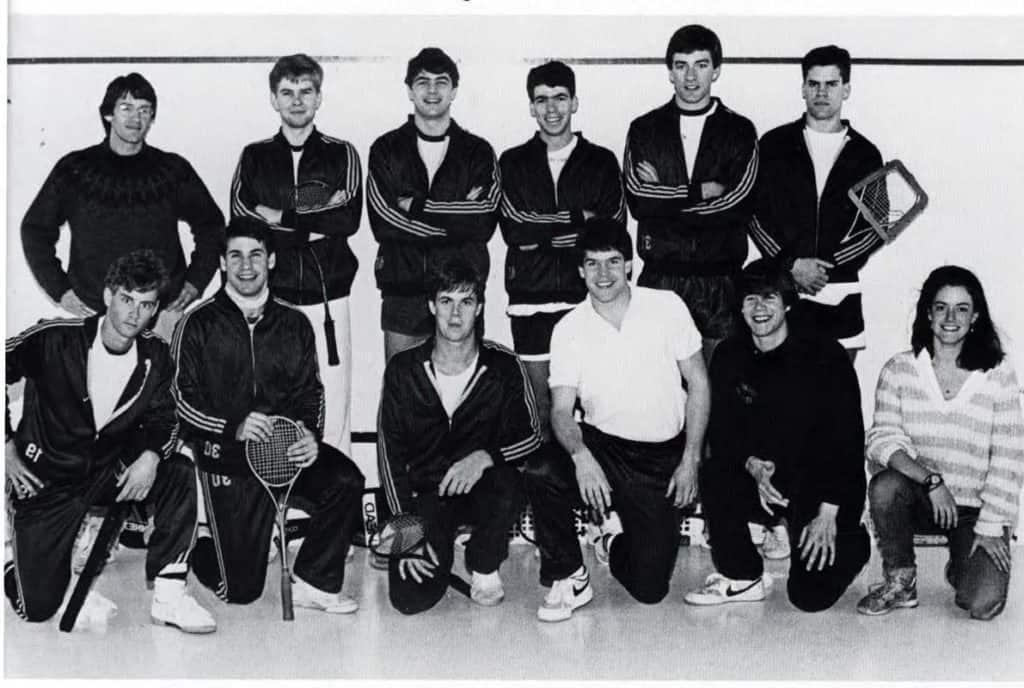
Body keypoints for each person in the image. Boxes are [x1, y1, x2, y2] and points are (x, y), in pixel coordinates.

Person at [5, 250, 215, 633]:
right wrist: (5, 446)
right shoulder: (54, 340)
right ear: (107, 296)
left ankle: (170, 596)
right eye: (127, 299)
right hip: (47, 479)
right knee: (35, 608)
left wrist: (152, 455)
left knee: (179, 471)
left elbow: (166, 417)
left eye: (146, 304)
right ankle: (15, 558)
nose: (134, 313)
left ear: (155, 311)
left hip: (105, 473)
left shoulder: (156, 356)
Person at [172, 218, 365, 613]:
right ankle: (203, 546)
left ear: (271, 260)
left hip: (283, 453)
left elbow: (311, 393)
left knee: (345, 479)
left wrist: (309, 434)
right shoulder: (197, 322)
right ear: (223, 263)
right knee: (239, 591)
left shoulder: (294, 321)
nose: (246, 266)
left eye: (256, 255)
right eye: (236, 256)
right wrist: (232, 426)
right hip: (227, 458)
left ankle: (315, 581)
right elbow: (180, 399)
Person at [524, 219, 710, 621]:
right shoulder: (568, 328)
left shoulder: (666, 307)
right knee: (542, 470)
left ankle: (612, 542)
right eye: (592, 264)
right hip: (602, 446)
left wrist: (690, 458)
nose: (603, 274)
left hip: (661, 456)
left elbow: (698, 382)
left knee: (649, 589)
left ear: (629, 265)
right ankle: (570, 575)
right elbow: (560, 410)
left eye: (612, 262)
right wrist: (580, 457)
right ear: (580, 270)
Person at [685, 258, 870, 612]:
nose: (759, 308)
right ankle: (743, 577)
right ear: (739, 307)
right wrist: (751, 465)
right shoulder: (728, 355)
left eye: (769, 297)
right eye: (750, 299)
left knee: (808, 597)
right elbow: (723, 431)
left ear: (786, 302)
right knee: (716, 472)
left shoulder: (824, 355)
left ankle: (854, 542)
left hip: (820, 483)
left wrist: (829, 512)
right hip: (764, 476)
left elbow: (847, 440)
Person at [858, 265, 1024, 619]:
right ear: (928, 314)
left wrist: (993, 526)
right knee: (885, 485)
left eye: (962, 308)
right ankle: (900, 580)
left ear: (975, 316)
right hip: (921, 498)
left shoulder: (998, 376)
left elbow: (1008, 459)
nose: (951, 317)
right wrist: (931, 481)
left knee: (981, 604)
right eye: (941, 307)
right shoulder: (899, 370)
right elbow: (881, 441)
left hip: (976, 511)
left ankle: (960, 566)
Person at [377, 258, 541, 615]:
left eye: (466, 302)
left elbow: (532, 436)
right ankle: (440, 548)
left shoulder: (503, 365)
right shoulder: (403, 369)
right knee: (410, 599)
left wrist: (485, 457)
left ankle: (484, 562)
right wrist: (407, 532)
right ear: (432, 306)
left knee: (509, 481)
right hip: (429, 495)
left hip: (483, 488)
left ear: (479, 308)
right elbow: (389, 457)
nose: (455, 314)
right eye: (446, 301)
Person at [21, 72, 224, 341]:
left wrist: (195, 282)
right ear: (108, 115)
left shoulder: (172, 170)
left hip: (161, 315)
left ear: (152, 118)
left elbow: (212, 225)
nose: (135, 118)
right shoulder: (75, 169)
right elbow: (35, 229)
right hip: (93, 312)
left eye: (144, 110)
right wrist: (59, 290)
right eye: (126, 108)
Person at [229, 53, 362, 456]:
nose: (297, 100)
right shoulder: (254, 156)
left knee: (333, 406)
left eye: (306, 91)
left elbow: (349, 219)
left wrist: (281, 217)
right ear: (274, 99)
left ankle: (337, 508)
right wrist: (316, 223)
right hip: (274, 299)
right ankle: (274, 513)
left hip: (329, 299)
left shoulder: (342, 153)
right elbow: (244, 224)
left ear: (319, 97)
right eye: (287, 92)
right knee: (274, 402)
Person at [498, 60, 626, 444]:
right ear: (531, 107)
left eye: (560, 98)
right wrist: (575, 219)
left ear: (574, 103)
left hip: (585, 299)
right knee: (540, 410)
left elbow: (609, 232)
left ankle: (593, 498)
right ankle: (547, 500)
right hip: (530, 303)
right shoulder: (512, 161)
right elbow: (514, 230)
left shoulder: (601, 160)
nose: (551, 109)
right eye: (541, 100)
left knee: (594, 404)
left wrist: (543, 233)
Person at [623, 24, 758, 363]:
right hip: (661, 278)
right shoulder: (645, 129)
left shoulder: (739, 130)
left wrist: (664, 201)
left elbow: (736, 205)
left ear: (717, 70)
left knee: (719, 389)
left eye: (701, 64)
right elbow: (639, 201)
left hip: (720, 280)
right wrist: (700, 193)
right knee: (657, 389)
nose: (691, 76)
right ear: (670, 72)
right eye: (681, 65)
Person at [748, 45, 884, 361]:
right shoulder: (774, 144)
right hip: (784, 290)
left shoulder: (866, 154)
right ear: (803, 88)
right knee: (782, 395)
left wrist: (824, 268)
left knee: (836, 399)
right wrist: (792, 265)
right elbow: (753, 214)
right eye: (814, 84)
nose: (821, 93)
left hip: (841, 293)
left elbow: (875, 226)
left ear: (846, 89)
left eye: (831, 84)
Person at [367, 47, 500, 361]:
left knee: (463, 397)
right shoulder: (386, 149)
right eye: (422, 82)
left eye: (441, 82)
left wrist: (416, 207)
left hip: (460, 294)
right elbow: (384, 221)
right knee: (404, 396)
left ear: (454, 91)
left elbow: (483, 219)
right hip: (403, 292)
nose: (432, 90)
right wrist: (455, 224)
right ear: (409, 90)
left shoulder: (478, 151)